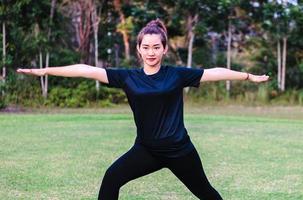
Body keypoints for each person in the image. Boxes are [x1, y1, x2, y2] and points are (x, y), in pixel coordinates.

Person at [17, 19, 269, 200]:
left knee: (206, 193)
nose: (151, 52)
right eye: (146, 47)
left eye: (156, 47)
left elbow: (214, 72)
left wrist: (248, 76)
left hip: (180, 151)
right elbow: (86, 69)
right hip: (147, 150)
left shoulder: (176, 75)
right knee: (112, 178)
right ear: (138, 49)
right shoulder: (128, 78)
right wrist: (46, 71)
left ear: (164, 49)